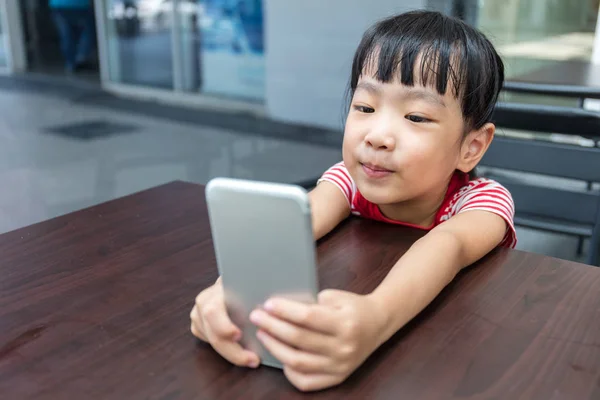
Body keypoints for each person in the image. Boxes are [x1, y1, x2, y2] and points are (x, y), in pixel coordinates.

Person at [190, 10, 515, 392]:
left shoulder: (483, 200)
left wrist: (375, 318)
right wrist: (227, 290)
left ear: (471, 146)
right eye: (365, 108)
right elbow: (297, 226)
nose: (377, 136)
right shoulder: (348, 180)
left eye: (416, 116)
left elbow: (446, 246)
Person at [49, 0, 96, 73]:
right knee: (87, 31)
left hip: (59, 5)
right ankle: (81, 58)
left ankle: (71, 63)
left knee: (66, 35)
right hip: (80, 5)